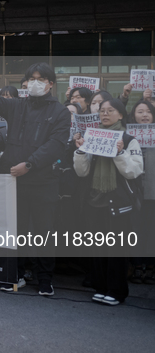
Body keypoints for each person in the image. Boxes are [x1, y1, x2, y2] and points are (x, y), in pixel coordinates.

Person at [0, 59, 70, 295]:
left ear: (50, 84)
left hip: (43, 181)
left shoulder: (59, 111)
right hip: (14, 179)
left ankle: (45, 279)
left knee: (43, 232)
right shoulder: (18, 106)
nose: (35, 83)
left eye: (41, 80)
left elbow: (56, 145)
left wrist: (30, 164)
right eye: (32, 79)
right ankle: (15, 274)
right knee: (15, 230)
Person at [73, 98, 143, 305]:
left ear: (121, 115)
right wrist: (80, 150)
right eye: (102, 111)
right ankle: (101, 287)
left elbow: (133, 171)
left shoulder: (129, 140)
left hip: (118, 202)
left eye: (111, 110)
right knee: (97, 247)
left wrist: (120, 152)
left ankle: (116, 291)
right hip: (94, 200)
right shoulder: (91, 137)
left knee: (116, 250)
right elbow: (81, 172)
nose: (105, 114)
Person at [127, 100, 155, 284]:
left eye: (148, 111)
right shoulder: (127, 136)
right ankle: (136, 266)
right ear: (133, 115)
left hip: (153, 191)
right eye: (140, 111)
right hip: (133, 192)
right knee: (135, 229)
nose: (144, 115)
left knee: (151, 230)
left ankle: (150, 266)